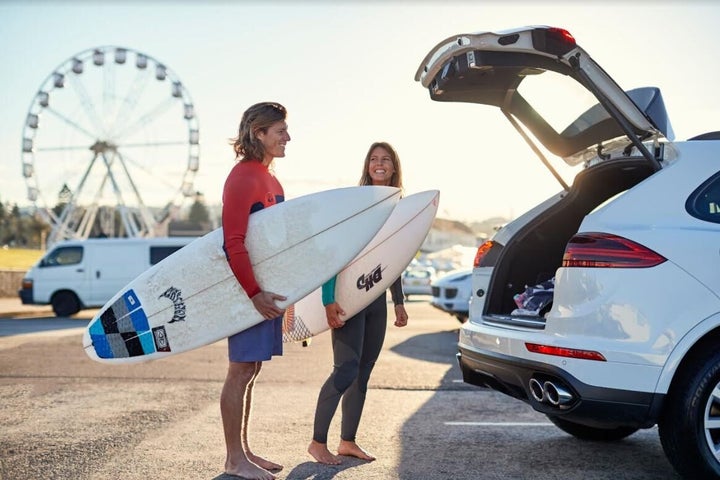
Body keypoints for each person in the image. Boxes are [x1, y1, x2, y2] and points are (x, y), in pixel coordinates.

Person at [308, 141, 409, 465]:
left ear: (394, 167)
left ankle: (347, 441)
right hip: (350, 299)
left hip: (376, 301)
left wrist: (399, 302)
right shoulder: (356, 205)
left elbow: (395, 259)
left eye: (386, 160)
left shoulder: (399, 207)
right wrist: (328, 299)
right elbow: (333, 253)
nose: (379, 164)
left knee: (362, 373)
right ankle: (317, 443)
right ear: (367, 167)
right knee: (345, 370)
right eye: (373, 160)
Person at [220, 102, 290, 480]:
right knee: (240, 369)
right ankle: (233, 460)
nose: (287, 138)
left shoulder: (269, 179)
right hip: (248, 292)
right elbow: (233, 242)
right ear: (258, 133)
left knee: (252, 368)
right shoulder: (243, 177)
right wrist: (253, 293)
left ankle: (243, 452)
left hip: (265, 290)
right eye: (280, 131)